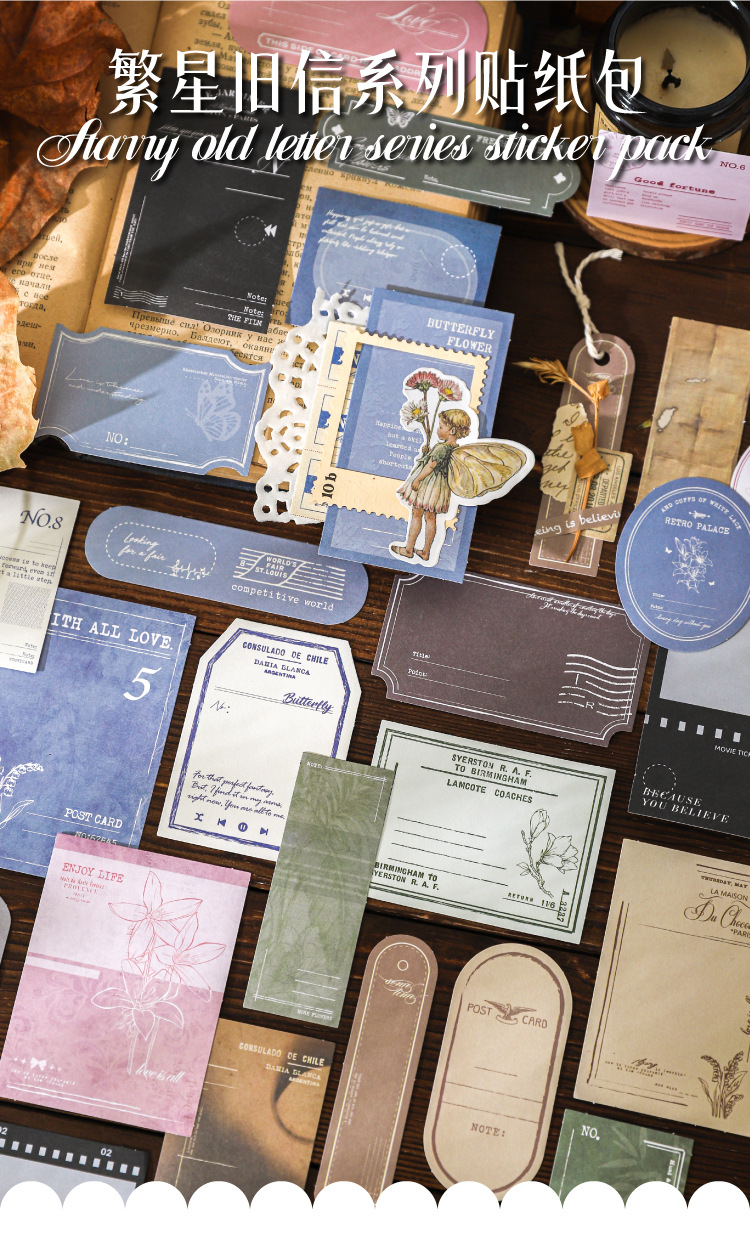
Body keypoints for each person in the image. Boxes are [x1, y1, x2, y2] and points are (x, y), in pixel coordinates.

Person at [390, 407, 528, 564]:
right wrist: (427, 452)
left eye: (441, 427)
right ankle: (426, 552)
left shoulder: (441, 448)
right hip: (440, 488)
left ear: (452, 430)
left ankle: (409, 549)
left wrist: (417, 480)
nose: (438, 429)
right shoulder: (453, 449)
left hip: (428, 485)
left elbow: (430, 466)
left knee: (417, 514)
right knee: (431, 518)